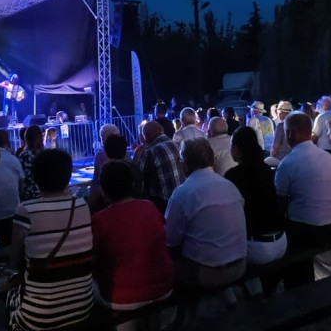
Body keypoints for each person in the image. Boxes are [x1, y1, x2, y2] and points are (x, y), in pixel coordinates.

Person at [9, 150, 93, 331]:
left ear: (36, 177)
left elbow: (14, 261)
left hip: (39, 316)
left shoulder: (25, 210)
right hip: (83, 305)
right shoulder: (81, 205)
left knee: (8, 295)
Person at [92, 160, 174, 326]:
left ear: (104, 191)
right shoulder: (150, 206)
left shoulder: (99, 220)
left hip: (122, 298)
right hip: (163, 287)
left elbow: (92, 258)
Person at [165, 138, 248, 291]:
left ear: (184, 163)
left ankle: (185, 313)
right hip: (240, 264)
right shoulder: (230, 186)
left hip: (206, 273)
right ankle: (229, 299)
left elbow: (170, 241)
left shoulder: (182, 193)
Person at [275, 112, 331, 286]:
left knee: (286, 239)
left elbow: (279, 205)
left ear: (290, 134)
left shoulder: (288, 163)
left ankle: (299, 289)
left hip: (311, 230)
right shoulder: (328, 157)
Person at [225, 126, 287, 282]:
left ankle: (250, 297)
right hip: (281, 240)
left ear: (237, 149)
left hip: (258, 246)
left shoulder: (233, 176)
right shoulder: (266, 169)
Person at [136, 120, 185, 213]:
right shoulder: (178, 145)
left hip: (164, 205)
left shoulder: (149, 152)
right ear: (162, 130)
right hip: (183, 197)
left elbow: (141, 182)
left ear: (147, 137)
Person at [18, 125, 45, 201]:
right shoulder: (45, 155)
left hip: (28, 196)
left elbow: (21, 177)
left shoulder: (24, 155)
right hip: (45, 194)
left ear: (26, 138)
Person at [266, 100, 294, 166]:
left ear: (281, 113)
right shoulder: (297, 124)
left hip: (282, 158)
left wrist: (271, 155)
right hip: (295, 158)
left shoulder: (281, 126)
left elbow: (275, 148)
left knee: (263, 163)